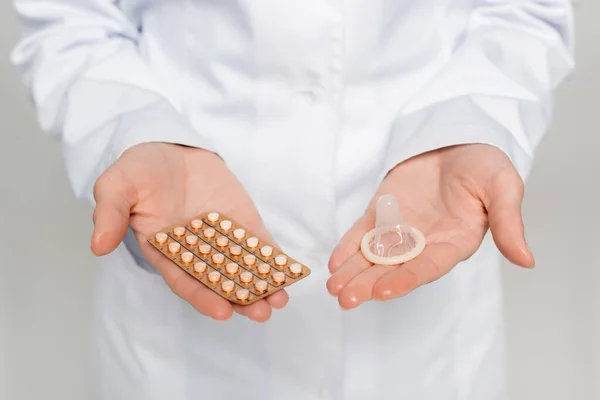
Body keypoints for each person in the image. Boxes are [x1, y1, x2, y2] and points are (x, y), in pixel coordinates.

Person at [11, 1, 574, 399]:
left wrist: (470, 124)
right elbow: (72, 18)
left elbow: (520, 14)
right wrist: (130, 129)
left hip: (425, 334)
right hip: (183, 317)